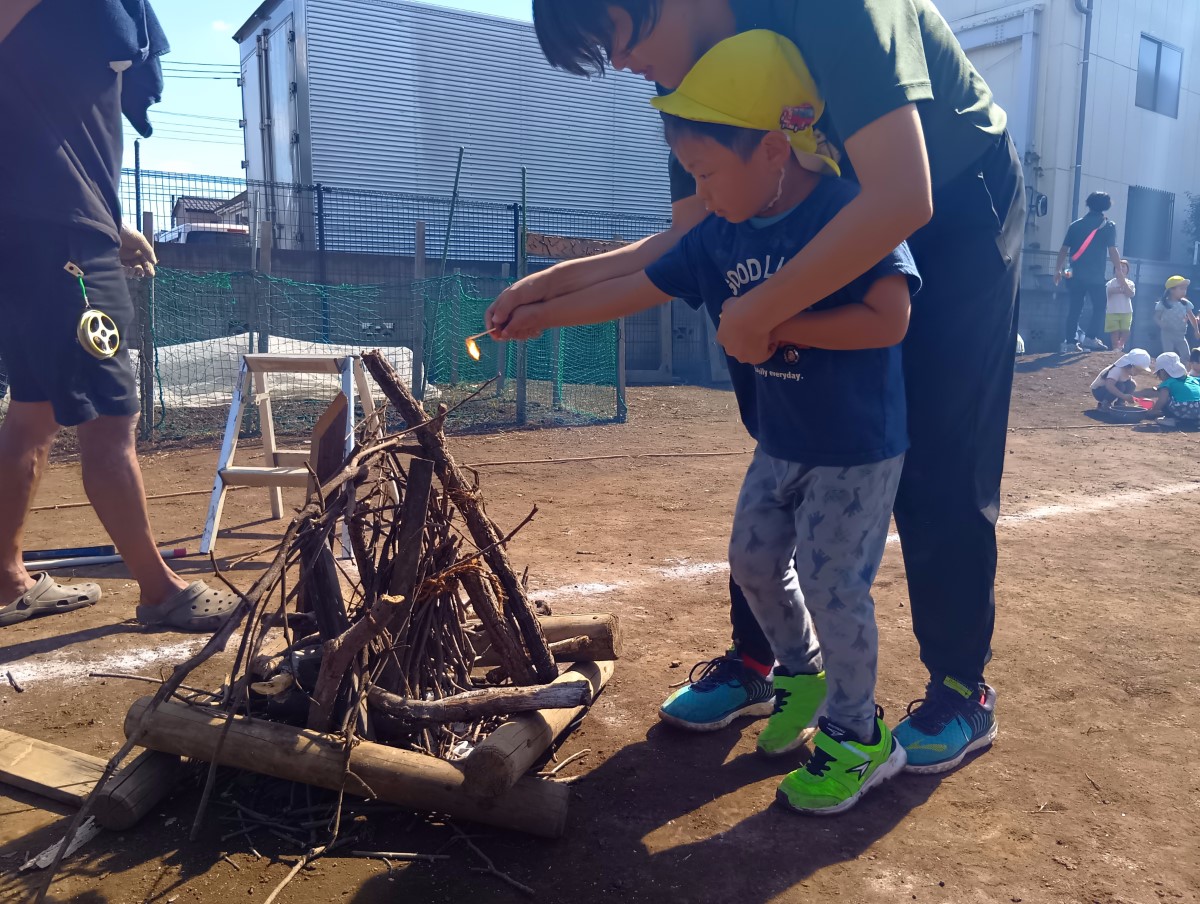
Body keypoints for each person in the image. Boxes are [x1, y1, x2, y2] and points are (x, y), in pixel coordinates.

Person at [497, 0, 1023, 775]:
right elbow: (693, 240)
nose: (623, 66)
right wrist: (551, 290)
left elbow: (903, 198)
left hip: (952, 197)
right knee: (780, 416)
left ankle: (958, 689)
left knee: (941, 447)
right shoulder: (691, 86)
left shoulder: (836, 11)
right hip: (803, 213)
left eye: (618, 36)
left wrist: (765, 308)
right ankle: (769, 660)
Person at [0, 0, 239, 631]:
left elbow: (43, 119)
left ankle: (5, 581)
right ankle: (161, 589)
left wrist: (110, 223)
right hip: (60, 239)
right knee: (110, 423)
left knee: (31, 416)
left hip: (45, 231)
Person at [1055, 192, 1130, 354]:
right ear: (1106, 206)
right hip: (1095, 275)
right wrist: (1118, 270)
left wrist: (1057, 270)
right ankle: (1090, 337)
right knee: (1100, 306)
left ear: (1088, 204)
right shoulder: (1108, 225)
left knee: (1074, 307)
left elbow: (1063, 250)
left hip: (1072, 273)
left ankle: (1070, 342)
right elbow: (1113, 250)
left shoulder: (1075, 225)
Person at [1145, 352, 1200, 427]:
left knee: (1166, 398)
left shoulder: (1167, 383)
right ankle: (1194, 421)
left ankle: (1172, 420)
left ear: (1162, 371)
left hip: (1183, 409)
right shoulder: (1192, 379)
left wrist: (1153, 411)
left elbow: (1162, 400)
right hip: (1198, 410)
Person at [1155, 276, 1198, 363]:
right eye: (1181, 289)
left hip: (1181, 335)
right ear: (1171, 290)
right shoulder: (1164, 303)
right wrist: (1161, 324)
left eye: (1185, 289)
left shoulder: (1185, 303)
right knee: (1168, 355)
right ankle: (1167, 373)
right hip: (1167, 334)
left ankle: (1183, 373)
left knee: (1186, 355)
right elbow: (1156, 317)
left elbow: (1192, 317)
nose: (1184, 291)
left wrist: (1196, 330)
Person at [1105, 260, 1136, 352]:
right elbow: (1109, 292)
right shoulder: (1110, 282)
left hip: (1126, 311)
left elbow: (1130, 293)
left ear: (1127, 270)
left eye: (1124, 266)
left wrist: (1123, 283)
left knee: (1126, 330)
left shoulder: (1130, 283)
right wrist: (1121, 290)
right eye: (1119, 267)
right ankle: (1115, 348)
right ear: (1115, 270)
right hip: (1112, 310)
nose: (1121, 268)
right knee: (1114, 331)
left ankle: (1121, 345)